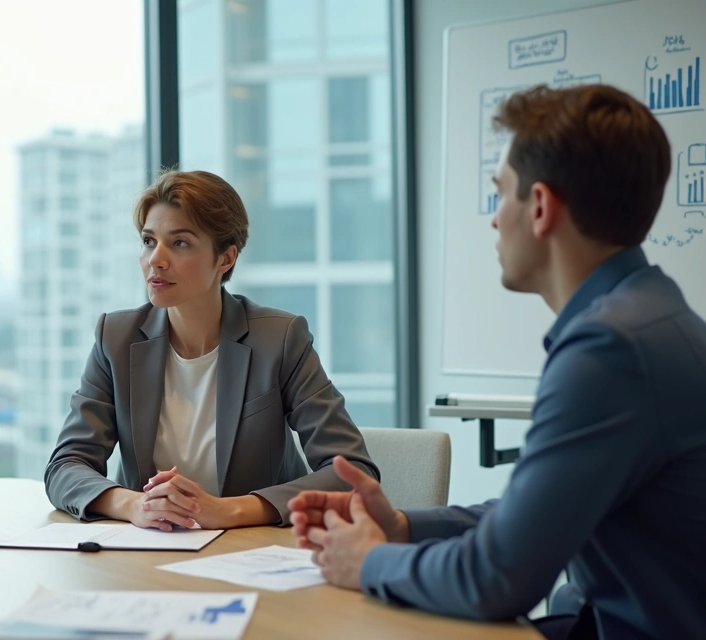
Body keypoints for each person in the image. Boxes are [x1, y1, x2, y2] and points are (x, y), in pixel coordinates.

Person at [289, 84, 706, 640]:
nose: (493, 219)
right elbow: (532, 515)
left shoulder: (610, 351)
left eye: (499, 193)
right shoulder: (648, 313)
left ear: (539, 207)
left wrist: (367, 563)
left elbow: (497, 577)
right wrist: (403, 526)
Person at [44, 170, 378, 531]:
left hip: (256, 550)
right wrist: (134, 504)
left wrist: (229, 510)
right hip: (149, 551)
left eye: (180, 243)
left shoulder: (279, 339)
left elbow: (354, 472)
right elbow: (65, 466)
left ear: (226, 259)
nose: (156, 259)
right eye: (148, 241)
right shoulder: (117, 338)